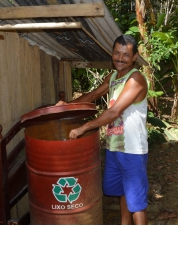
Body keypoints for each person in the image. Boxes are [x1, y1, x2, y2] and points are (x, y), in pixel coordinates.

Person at [56, 34, 149, 225]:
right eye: (116, 53)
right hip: (115, 146)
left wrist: (84, 127)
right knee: (122, 189)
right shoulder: (114, 76)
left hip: (133, 150)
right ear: (112, 53)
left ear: (134, 57)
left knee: (137, 203)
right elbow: (93, 95)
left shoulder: (136, 79)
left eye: (125, 55)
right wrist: (67, 106)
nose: (120, 58)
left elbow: (114, 112)